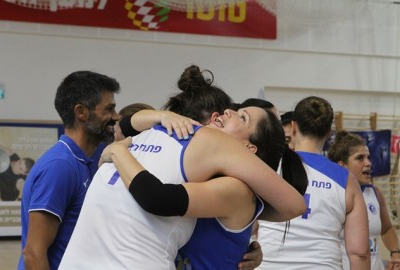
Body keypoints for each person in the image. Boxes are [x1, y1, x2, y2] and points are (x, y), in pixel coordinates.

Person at [58, 65, 307, 270]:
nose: (228, 112)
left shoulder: (234, 186)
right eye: (234, 109)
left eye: (242, 117)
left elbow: (158, 198)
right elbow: (126, 123)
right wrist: (159, 116)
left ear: (248, 148)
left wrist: (120, 151)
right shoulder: (190, 167)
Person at [18, 70, 120, 270]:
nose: (115, 117)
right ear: (81, 112)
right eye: (109, 109)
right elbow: (33, 254)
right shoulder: (60, 167)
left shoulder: (92, 157)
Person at [257, 96, 370, 269]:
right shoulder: (346, 179)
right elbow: (359, 252)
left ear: (293, 127)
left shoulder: (268, 166)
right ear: (328, 133)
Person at [328, 130, 400, 270]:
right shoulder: (332, 196)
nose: (368, 163)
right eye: (360, 158)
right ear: (342, 166)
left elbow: (386, 229)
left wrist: (396, 254)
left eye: (368, 157)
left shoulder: (375, 193)